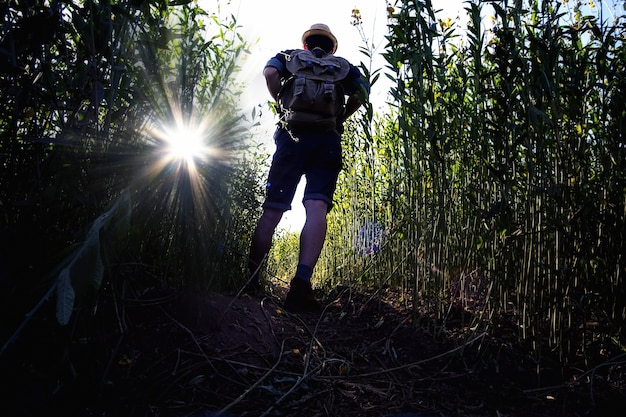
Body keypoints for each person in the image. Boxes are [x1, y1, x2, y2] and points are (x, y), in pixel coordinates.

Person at [245, 23, 370, 313]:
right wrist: (341, 118)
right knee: (316, 207)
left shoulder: (289, 57)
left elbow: (270, 73)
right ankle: (301, 285)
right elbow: (363, 92)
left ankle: (249, 282)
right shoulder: (344, 67)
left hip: (292, 137)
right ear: (331, 48)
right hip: (326, 140)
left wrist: (282, 104)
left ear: (306, 45)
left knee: (273, 209)